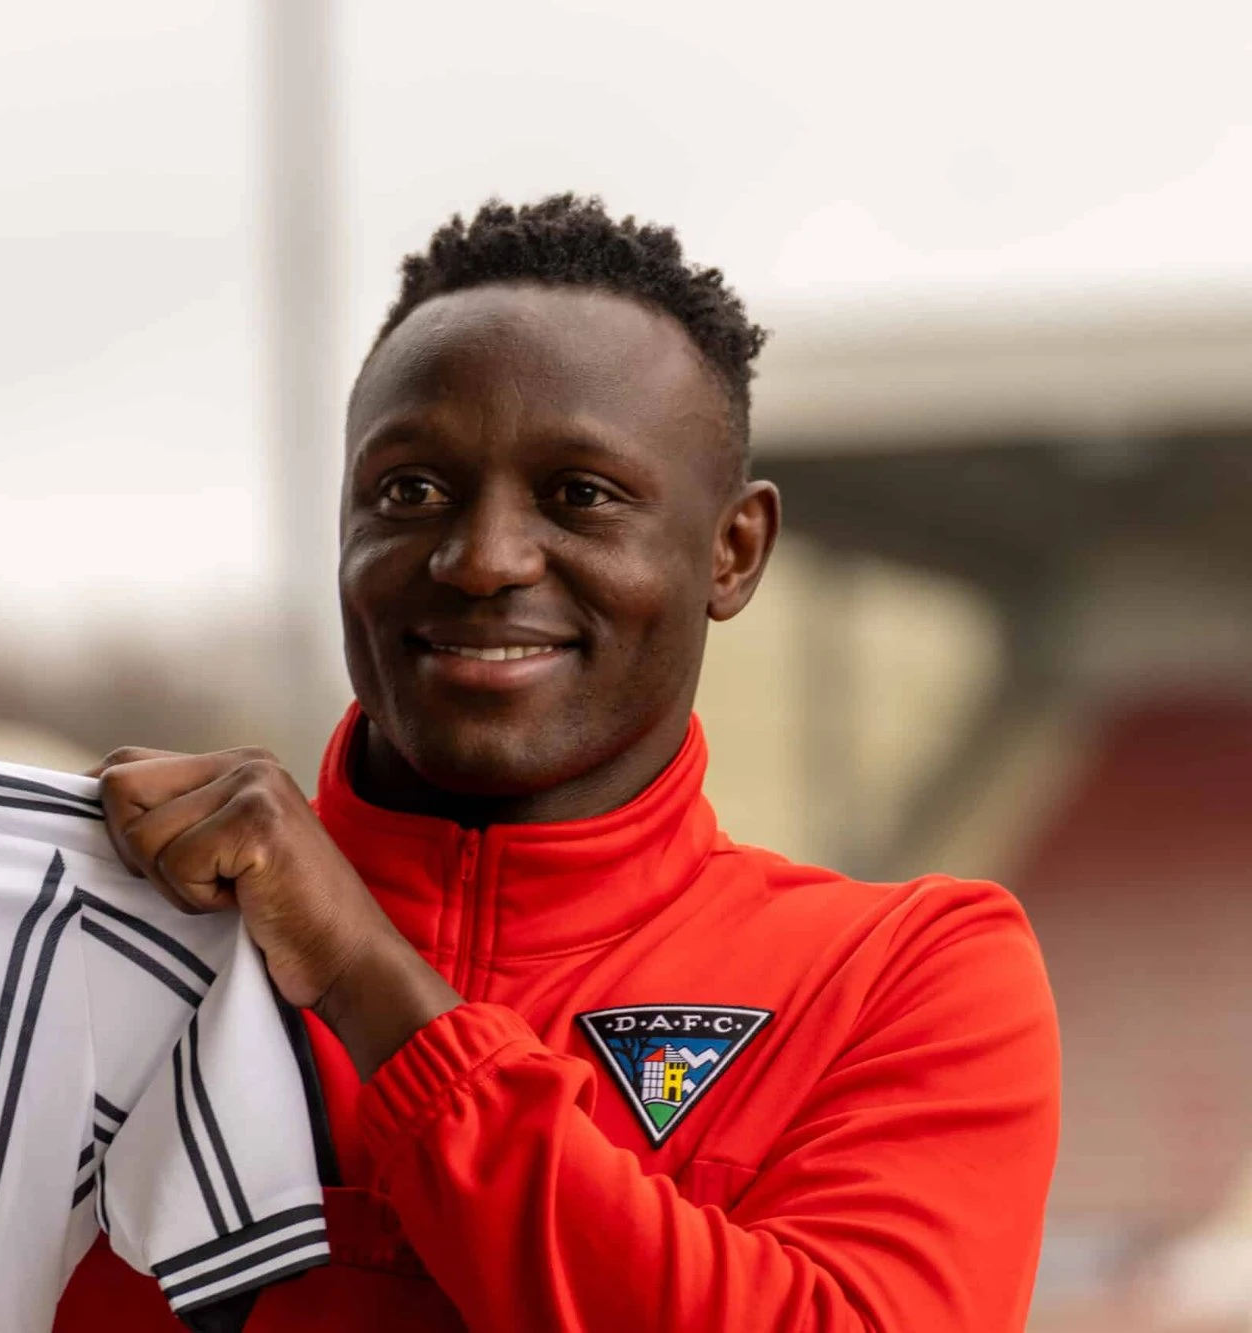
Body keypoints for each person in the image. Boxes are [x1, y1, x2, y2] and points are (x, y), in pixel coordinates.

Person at [54, 194, 1060, 1332]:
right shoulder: (102, 937)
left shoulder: (903, 975)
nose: (483, 558)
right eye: (410, 490)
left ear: (733, 551)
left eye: (581, 495)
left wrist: (365, 979)